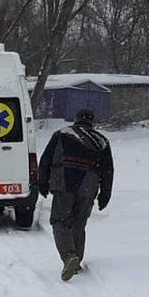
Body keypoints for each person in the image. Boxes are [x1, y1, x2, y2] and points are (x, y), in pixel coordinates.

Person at [38, 108, 114, 282]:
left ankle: (68, 257)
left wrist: (42, 183)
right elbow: (108, 170)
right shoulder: (102, 140)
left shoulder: (62, 133)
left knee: (60, 221)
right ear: (92, 122)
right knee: (79, 223)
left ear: (76, 119)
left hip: (64, 182)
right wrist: (105, 195)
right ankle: (76, 261)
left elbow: (46, 161)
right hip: (89, 185)